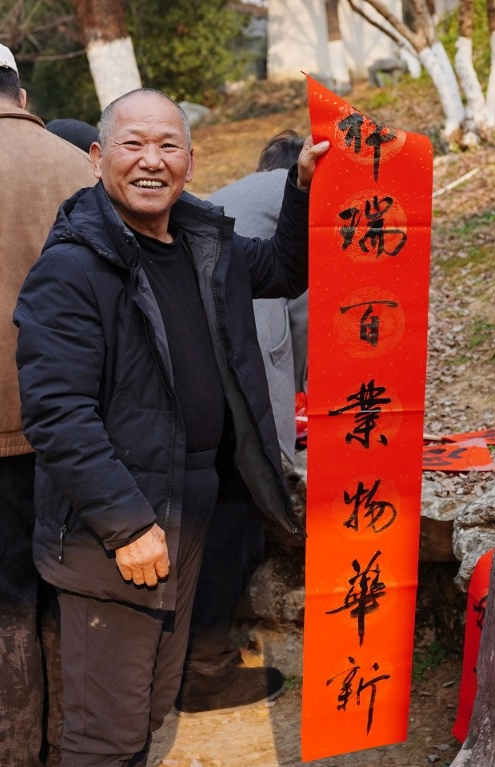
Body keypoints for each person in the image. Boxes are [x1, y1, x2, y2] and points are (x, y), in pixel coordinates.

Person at [14, 88, 329, 766]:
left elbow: (285, 268)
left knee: (149, 706)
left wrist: (302, 187)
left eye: (167, 145)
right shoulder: (73, 265)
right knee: (107, 733)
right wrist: (125, 524)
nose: (151, 160)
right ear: (96, 158)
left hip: (188, 511)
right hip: (116, 532)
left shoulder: (203, 242)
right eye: (132, 144)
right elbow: (56, 411)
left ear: (190, 159)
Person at [175, 130, 308, 716]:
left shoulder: (229, 195)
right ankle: (205, 671)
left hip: (186, 393)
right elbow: (296, 319)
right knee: (241, 514)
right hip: (234, 368)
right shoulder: (295, 200)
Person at [0, 44, 95, 767]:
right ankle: (73, 745)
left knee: (5, 603)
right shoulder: (81, 168)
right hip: (75, 427)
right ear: (21, 92)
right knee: (67, 589)